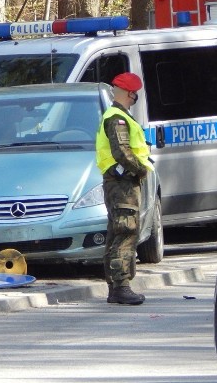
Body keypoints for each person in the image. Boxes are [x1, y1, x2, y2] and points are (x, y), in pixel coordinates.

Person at [95, 72, 154, 305]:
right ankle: (121, 286)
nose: (135, 97)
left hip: (118, 183)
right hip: (123, 184)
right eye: (134, 93)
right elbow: (122, 151)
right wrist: (140, 169)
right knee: (126, 231)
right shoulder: (117, 118)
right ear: (130, 93)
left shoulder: (116, 115)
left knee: (117, 231)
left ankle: (115, 286)